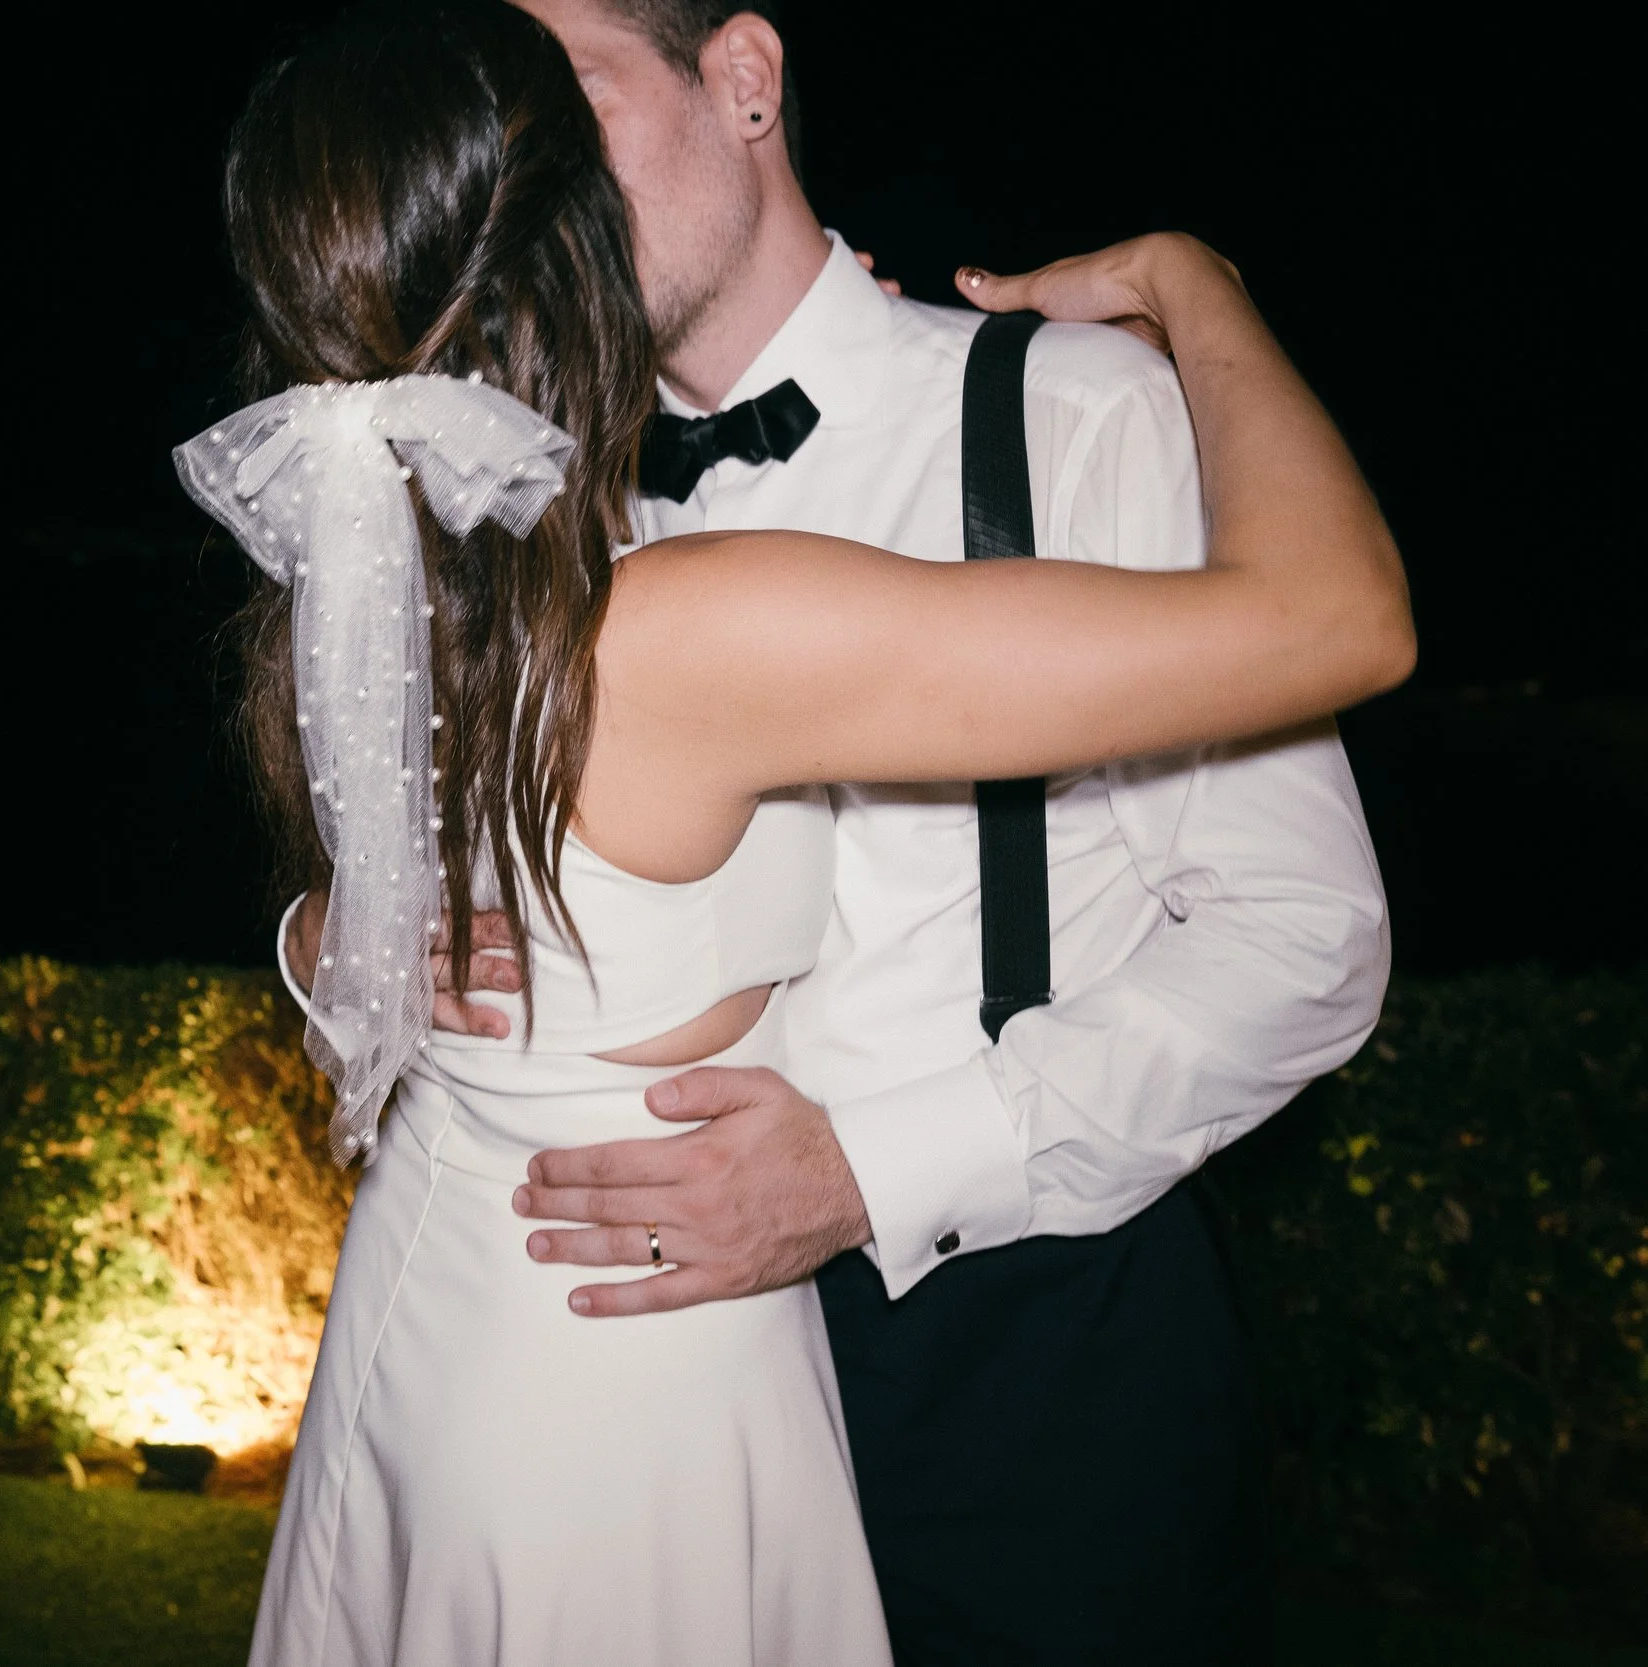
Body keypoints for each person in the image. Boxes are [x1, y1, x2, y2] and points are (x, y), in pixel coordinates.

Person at [186, 5, 1411, 1664]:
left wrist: (870, 1170)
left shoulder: (1072, 418)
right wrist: (341, 928)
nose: (522, 141)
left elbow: (1303, 935)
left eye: (567, 89)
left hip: (1010, 1368)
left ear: (743, 81)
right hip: (634, 1365)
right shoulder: (510, 496)